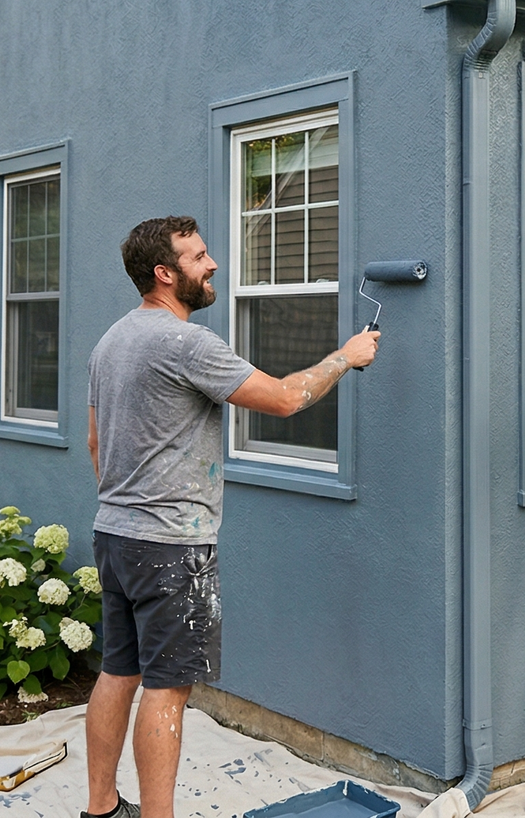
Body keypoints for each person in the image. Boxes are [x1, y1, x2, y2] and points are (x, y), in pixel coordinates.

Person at [82, 216, 380, 818]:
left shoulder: (111, 340)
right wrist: (345, 357)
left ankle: (101, 808)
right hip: (171, 547)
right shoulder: (185, 343)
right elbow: (286, 398)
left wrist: (132, 504)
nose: (212, 263)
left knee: (119, 673)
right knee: (166, 691)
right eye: (197, 256)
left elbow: (95, 443)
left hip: (116, 535)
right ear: (165, 275)